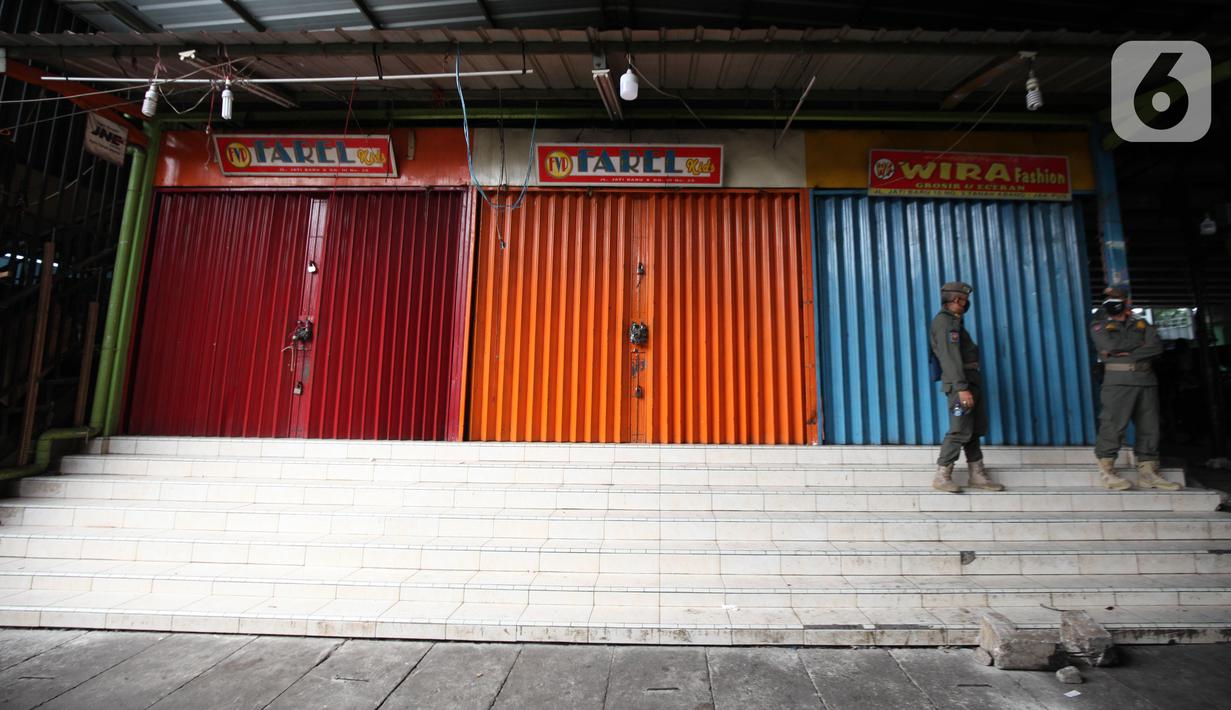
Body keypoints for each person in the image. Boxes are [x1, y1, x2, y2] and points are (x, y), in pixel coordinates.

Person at [1090, 287, 1181, 491]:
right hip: (1118, 382)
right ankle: (1107, 470)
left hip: (1146, 380)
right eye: (1110, 299)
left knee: (1150, 427)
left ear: (1127, 301)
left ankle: (1148, 472)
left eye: (1118, 298)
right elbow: (1110, 347)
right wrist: (1138, 345)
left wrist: (1125, 352)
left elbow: (1156, 347)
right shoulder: (1099, 325)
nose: (1114, 302)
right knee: (1113, 424)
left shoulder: (1141, 323)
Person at [930, 281, 1003, 493]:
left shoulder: (955, 322)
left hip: (971, 381)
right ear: (957, 299)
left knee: (974, 429)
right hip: (960, 385)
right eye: (965, 299)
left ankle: (977, 475)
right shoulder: (945, 323)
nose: (966, 303)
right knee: (959, 428)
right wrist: (962, 388)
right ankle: (942, 476)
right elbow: (949, 358)